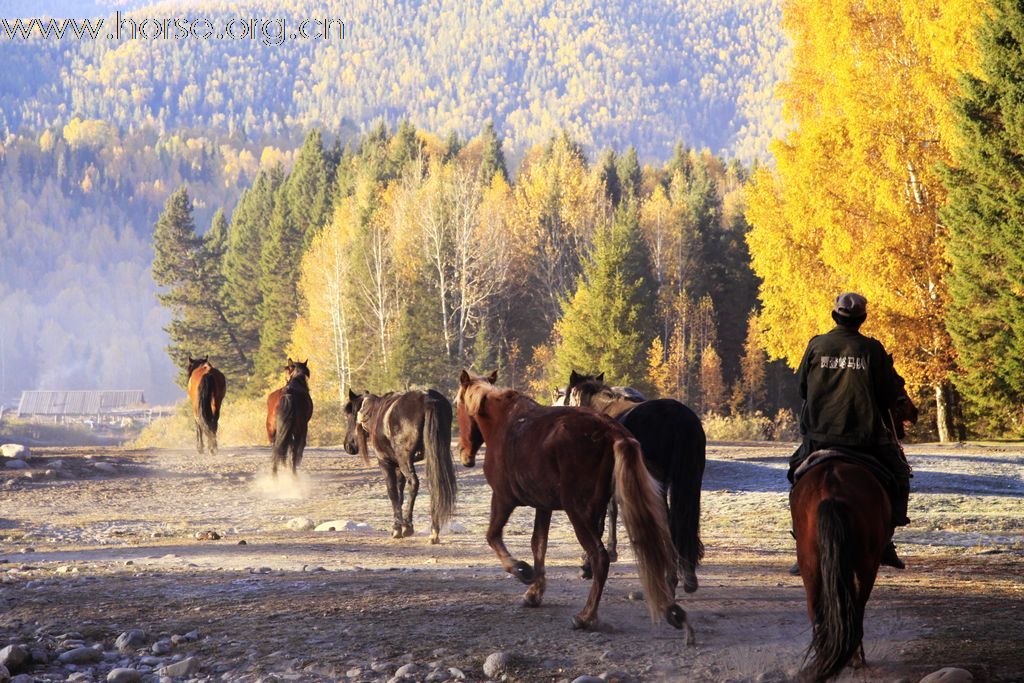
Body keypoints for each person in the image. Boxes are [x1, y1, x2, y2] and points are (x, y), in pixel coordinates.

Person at [787, 292, 912, 573]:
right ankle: (887, 541)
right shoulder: (872, 349)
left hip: (819, 437)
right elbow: (887, 395)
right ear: (862, 319)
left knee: (795, 475)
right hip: (864, 439)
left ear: (835, 316)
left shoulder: (816, 345)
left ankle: (801, 538)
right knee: (900, 474)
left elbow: (802, 389)